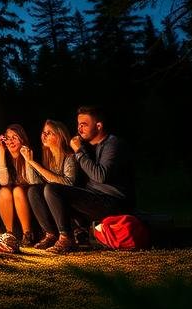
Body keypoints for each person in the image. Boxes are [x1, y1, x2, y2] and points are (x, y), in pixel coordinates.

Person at [35, 105, 135, 254]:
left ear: (99, 126)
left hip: (113, 201)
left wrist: (79, 151)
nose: (80, 129)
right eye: (78, 124)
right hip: (92, 198)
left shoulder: (112, 144)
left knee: (53, 189)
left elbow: (100, 176)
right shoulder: (86, 146)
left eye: (84, 125)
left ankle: (65, 238)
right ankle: (59, 233)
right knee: (38, 190)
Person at [20, 119, 79, 250]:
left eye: (49, 133)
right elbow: (34, 182)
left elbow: (68, 183)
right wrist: (28, 161)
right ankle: (50, 234)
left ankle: (66, 237)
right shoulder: (48, 158)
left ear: (59, 136)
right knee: (33, 191)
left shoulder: (69, 157)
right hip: (54, 204)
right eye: (43, 132)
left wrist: (33, 163)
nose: (44, 135)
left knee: (49, 188)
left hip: (72, 204)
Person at [0, 123, 35, 246]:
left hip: (29, 195)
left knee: (17, 190)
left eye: (14, 137)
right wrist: (1, 151)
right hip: (12, 199)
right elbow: (3, 181)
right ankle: (9, 234)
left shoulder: (29, 153)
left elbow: (32, 180)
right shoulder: (5, 157)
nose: (10, 141)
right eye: (8, 138)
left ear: (22, 139)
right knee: (4, 191)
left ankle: (28, 234)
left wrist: (27, 160)